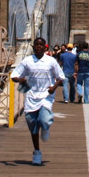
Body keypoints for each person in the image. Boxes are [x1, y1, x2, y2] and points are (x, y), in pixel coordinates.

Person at [11, 37, 65, 165]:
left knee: (44, 120)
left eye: (41, 45)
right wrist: (20, 80)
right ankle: (37, 152)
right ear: (33, 46)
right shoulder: (27, 61)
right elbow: (14, 75)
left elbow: (61, 77)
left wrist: (54, 87)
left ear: (45, 47)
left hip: (46, 96)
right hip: (31, 97)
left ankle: (46, 127)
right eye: (37, 45)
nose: (39, 47)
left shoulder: (51, 61)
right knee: (33, 127)